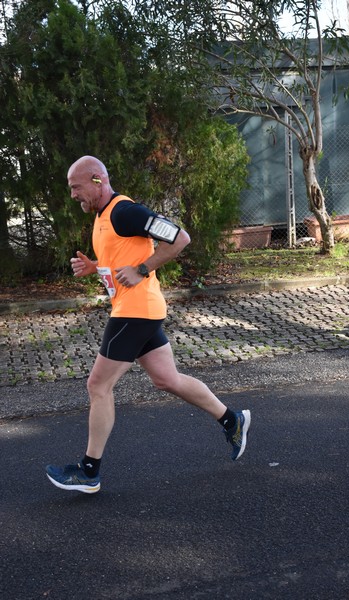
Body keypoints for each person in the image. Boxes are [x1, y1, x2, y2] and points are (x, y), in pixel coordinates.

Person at [46, 155, 251, 493]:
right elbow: (120, 262)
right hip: (138, 308)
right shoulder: (103, 217)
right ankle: (232, 420)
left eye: (76, 187)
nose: (73, 195)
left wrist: (142, 269)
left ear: (97, 179)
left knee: (98, 386)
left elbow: (180, 238)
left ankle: (88, 471)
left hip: (135, 311)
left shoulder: (125, 212)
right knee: (167, 379)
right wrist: (96, 267)